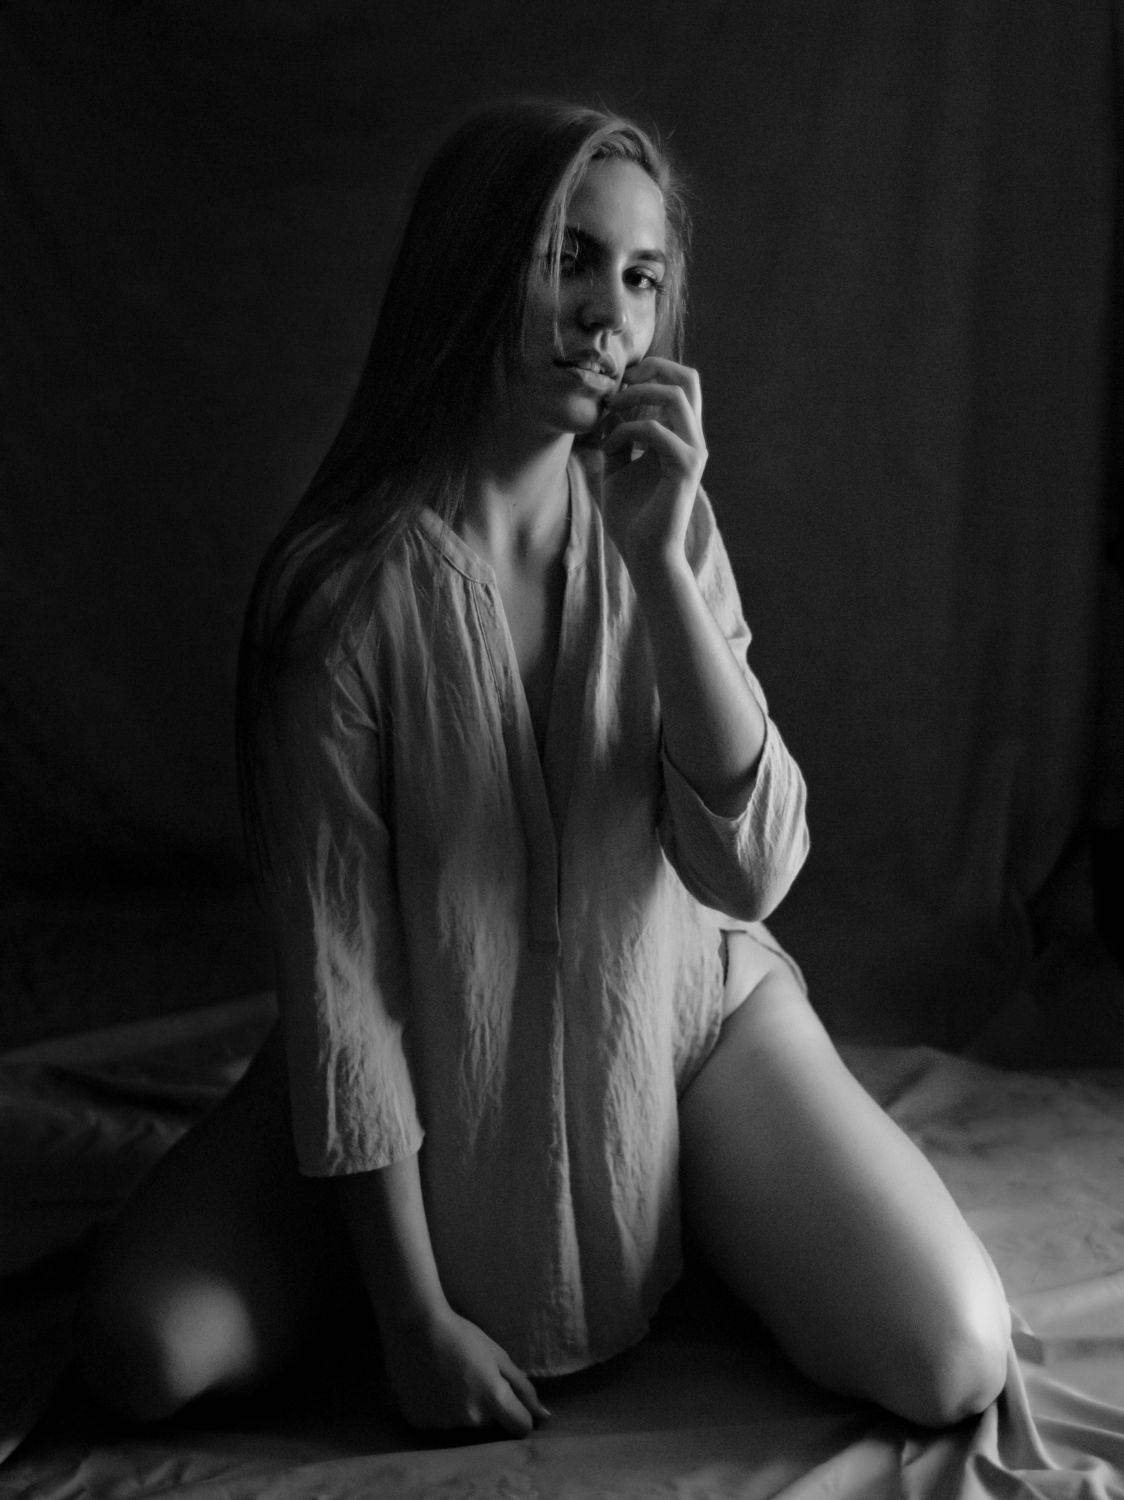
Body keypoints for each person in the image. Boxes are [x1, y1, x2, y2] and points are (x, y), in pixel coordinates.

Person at [73, 99, 1011, 1438]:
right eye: (569, 258)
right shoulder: (342, 597)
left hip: (678, 1018)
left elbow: (751, 872)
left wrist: (659, 564)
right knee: (143, 1350)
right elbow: (348, 990)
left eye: (640, 277)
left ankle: (684, 1188)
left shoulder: (667, 523)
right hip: (432, 1036)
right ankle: (393, 1218)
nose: (606, 315)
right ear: (472, 266)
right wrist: (412, 1323)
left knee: (953, 1355)